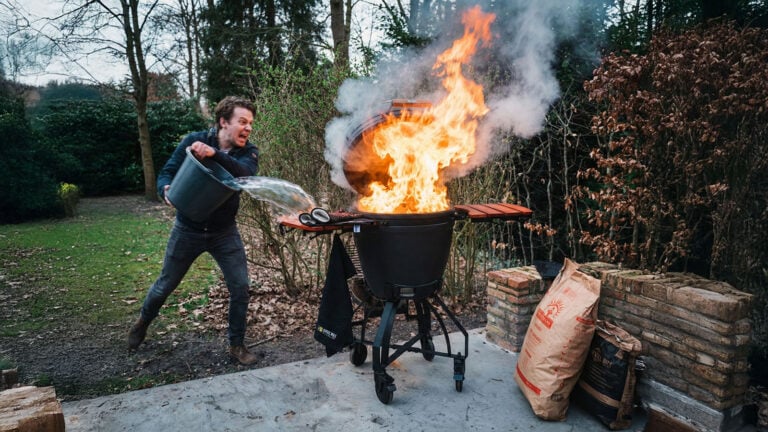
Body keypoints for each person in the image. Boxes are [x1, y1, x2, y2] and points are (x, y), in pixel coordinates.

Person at [128, 96, 260, 365]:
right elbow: (167, 172)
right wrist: (165, 188)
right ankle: (142, 322)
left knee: (240, 288)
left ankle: (236, 345)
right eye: (242, 122)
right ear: (224, 122)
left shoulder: (248, 152)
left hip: (224, 233)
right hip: (188, 229)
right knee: (165, 285)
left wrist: (215, 155)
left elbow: (245, 174)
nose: (248, 128)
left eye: (250, 123)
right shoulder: (194, 140)